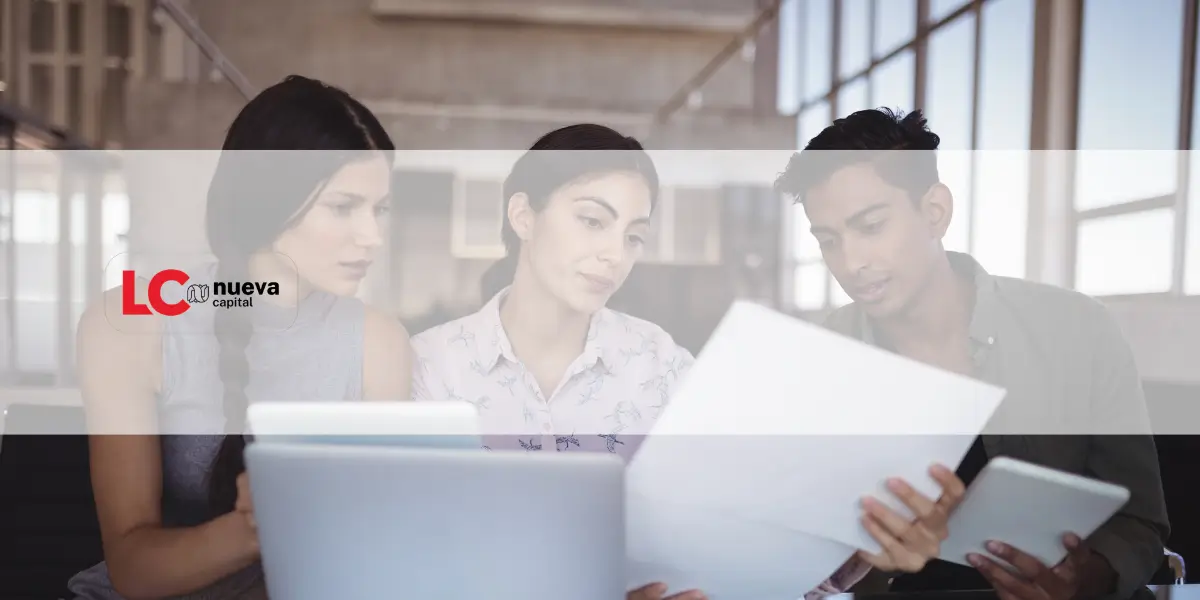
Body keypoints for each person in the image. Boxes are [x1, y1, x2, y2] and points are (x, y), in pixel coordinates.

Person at [411, 123, 968, 600]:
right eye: (593, 220)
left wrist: (865, 540)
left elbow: (747, 550)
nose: (614, 254)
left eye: (634, 236)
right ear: (523, 215)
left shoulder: (664, 368)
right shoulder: (428, 369)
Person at [774, 107, 1171, 600]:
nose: (851, 262)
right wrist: (857, 556)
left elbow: (1140, 523)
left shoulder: (1077, 329)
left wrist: (1080, 582)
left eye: (871, 226)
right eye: (829, 241)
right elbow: (797, 552)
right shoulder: (817, 360)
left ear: (935, 212)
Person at [69, 75, 412, 599]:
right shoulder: (130, 320)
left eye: (379, 209)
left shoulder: (379, 342)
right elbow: (133, 570)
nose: (372, 236)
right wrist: (259, 523)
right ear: (268, 201)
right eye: (343, 207)